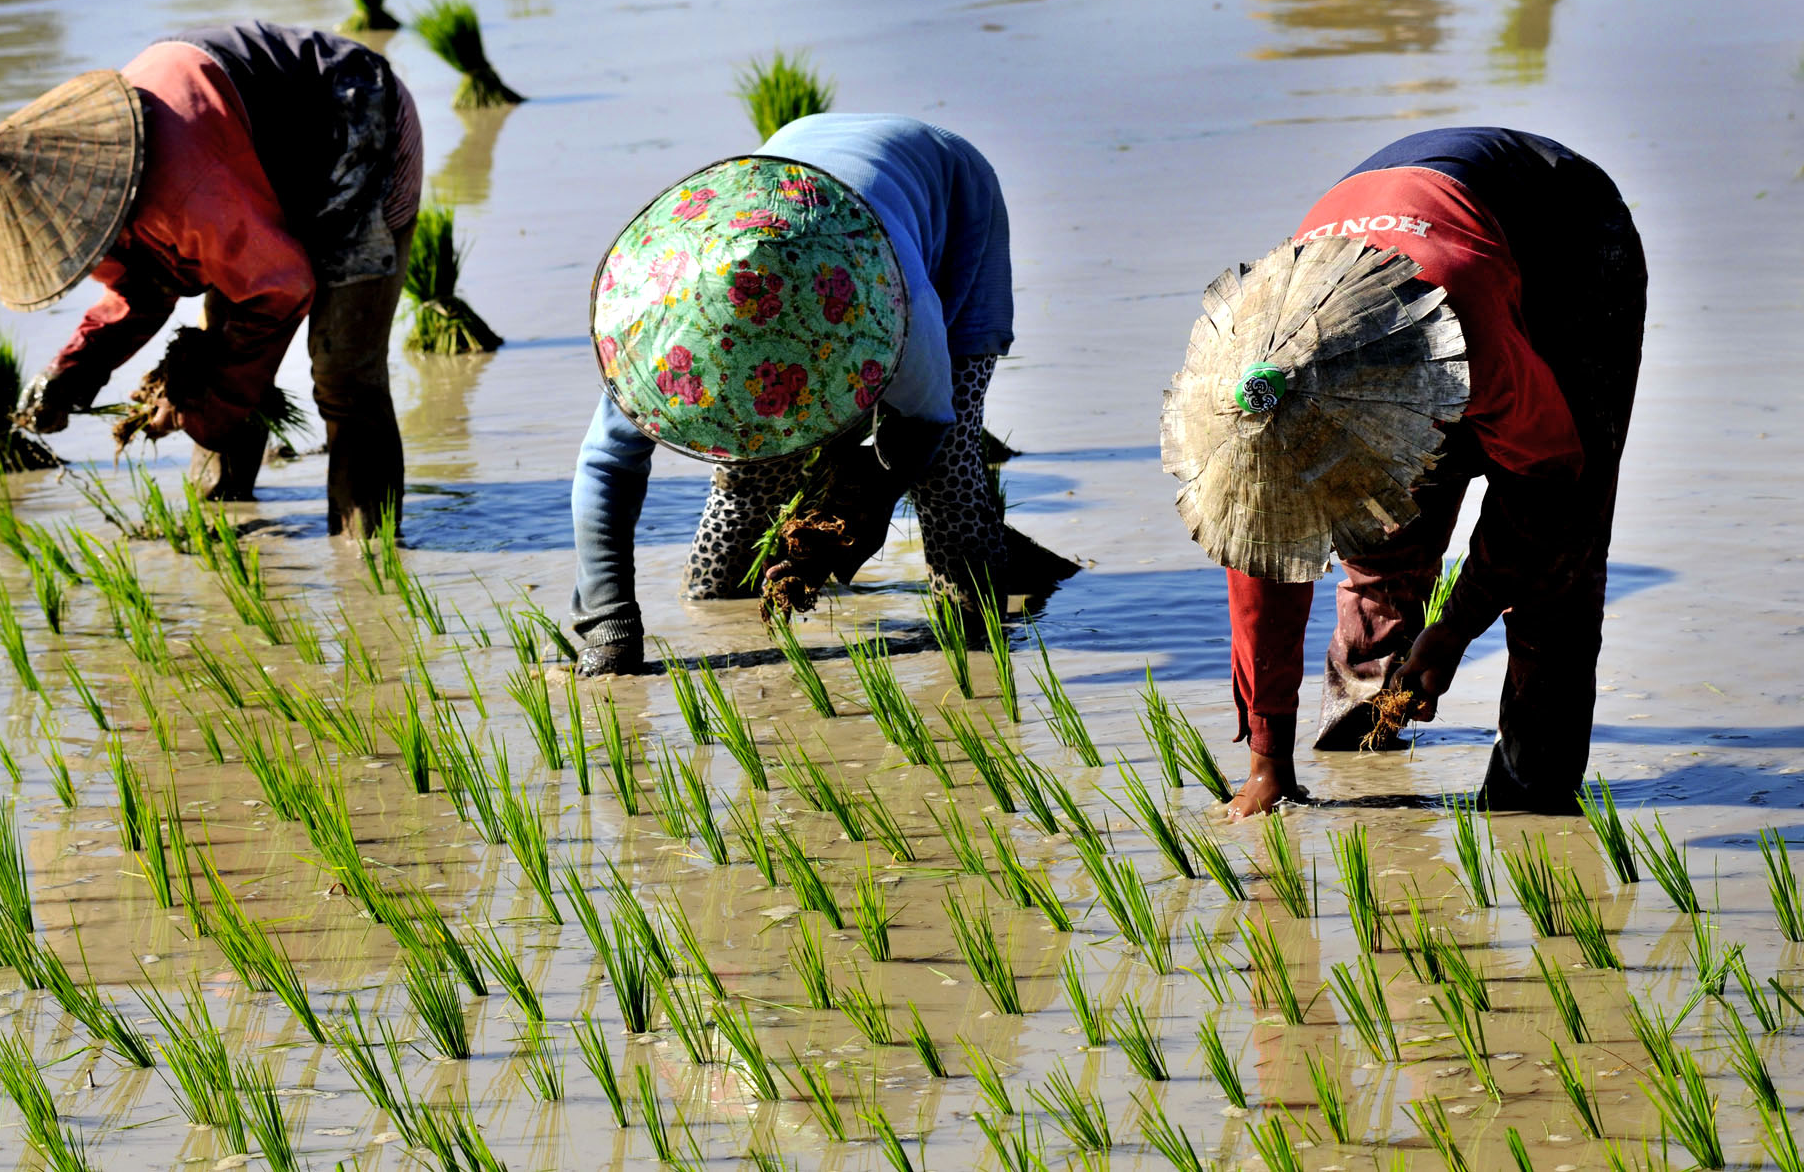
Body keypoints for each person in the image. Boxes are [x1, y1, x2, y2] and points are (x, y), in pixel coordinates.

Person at [1159, 127, 1646, 818]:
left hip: (1561, 234)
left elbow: (1547, 473)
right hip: (1399, 240)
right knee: (1382, 542)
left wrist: (1456, 624)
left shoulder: (1468, 330)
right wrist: (1269, 763)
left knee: (1556, 566)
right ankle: (1364, 752)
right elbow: (1264, 575)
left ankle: (1529, 796)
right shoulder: (1247, 399)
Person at [570, 113, 1074, 676]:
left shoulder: (894, 300)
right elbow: (606, 467)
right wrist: (606, 624)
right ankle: (721, 599)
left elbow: (930, 421)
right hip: (783, 188)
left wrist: (864, 496)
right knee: (746, 488)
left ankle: (978, 631)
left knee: (946, 475)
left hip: (953, 204)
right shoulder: (657, 327)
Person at [0, 20, 423, 536]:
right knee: (216, 350)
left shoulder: (185, 188)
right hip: (249, 162)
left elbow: (281, 290)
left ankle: (371, 554)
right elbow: (140, 289)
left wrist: (196, 399)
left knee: (344, 372)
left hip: (353, 121)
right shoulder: (91, 196)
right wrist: (69, 374)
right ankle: (222, 516)